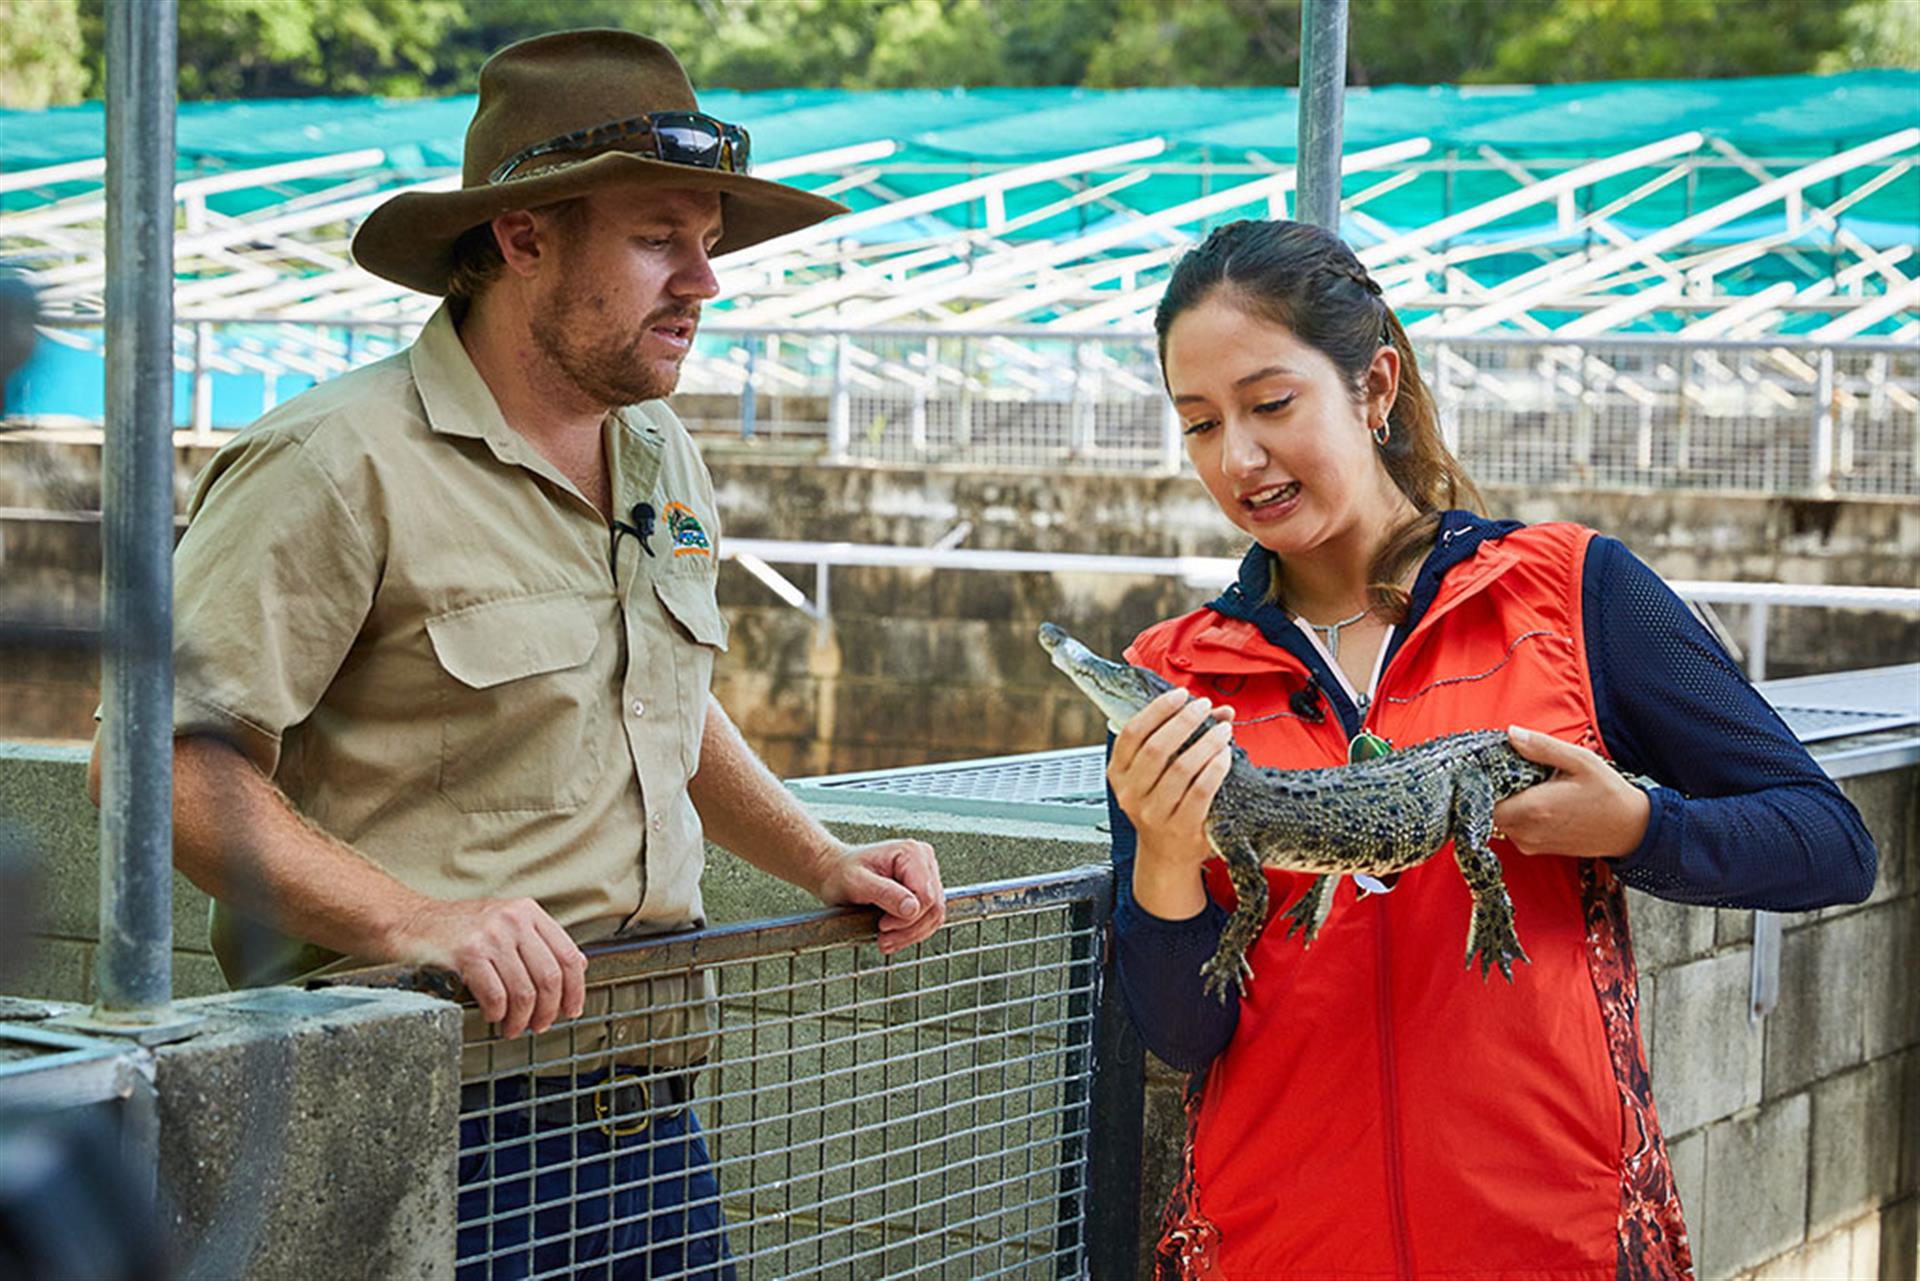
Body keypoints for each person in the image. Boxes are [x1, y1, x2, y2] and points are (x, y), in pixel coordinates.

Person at [86, 28, 946, 1279]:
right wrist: (416, 919)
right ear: (523, 237)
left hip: (647, 1116)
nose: (705, 282)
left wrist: (818, 856)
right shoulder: (338, 462)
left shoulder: (654, 449)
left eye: (710, 242)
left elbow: (656, 697)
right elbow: (151, 768)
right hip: (421, 1117)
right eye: (661, 239)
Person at [1105, 219, 1876, 1280]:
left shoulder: (1570, 591)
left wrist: (1639, 828)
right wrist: (1158, 853)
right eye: (1198, 423)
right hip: (1275, 1250)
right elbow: (1185, 1037)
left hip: (1555, 1243)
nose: (1237, 458)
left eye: (1271, 404)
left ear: (1374, 389)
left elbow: (1830, 843)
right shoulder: (1173, 679)